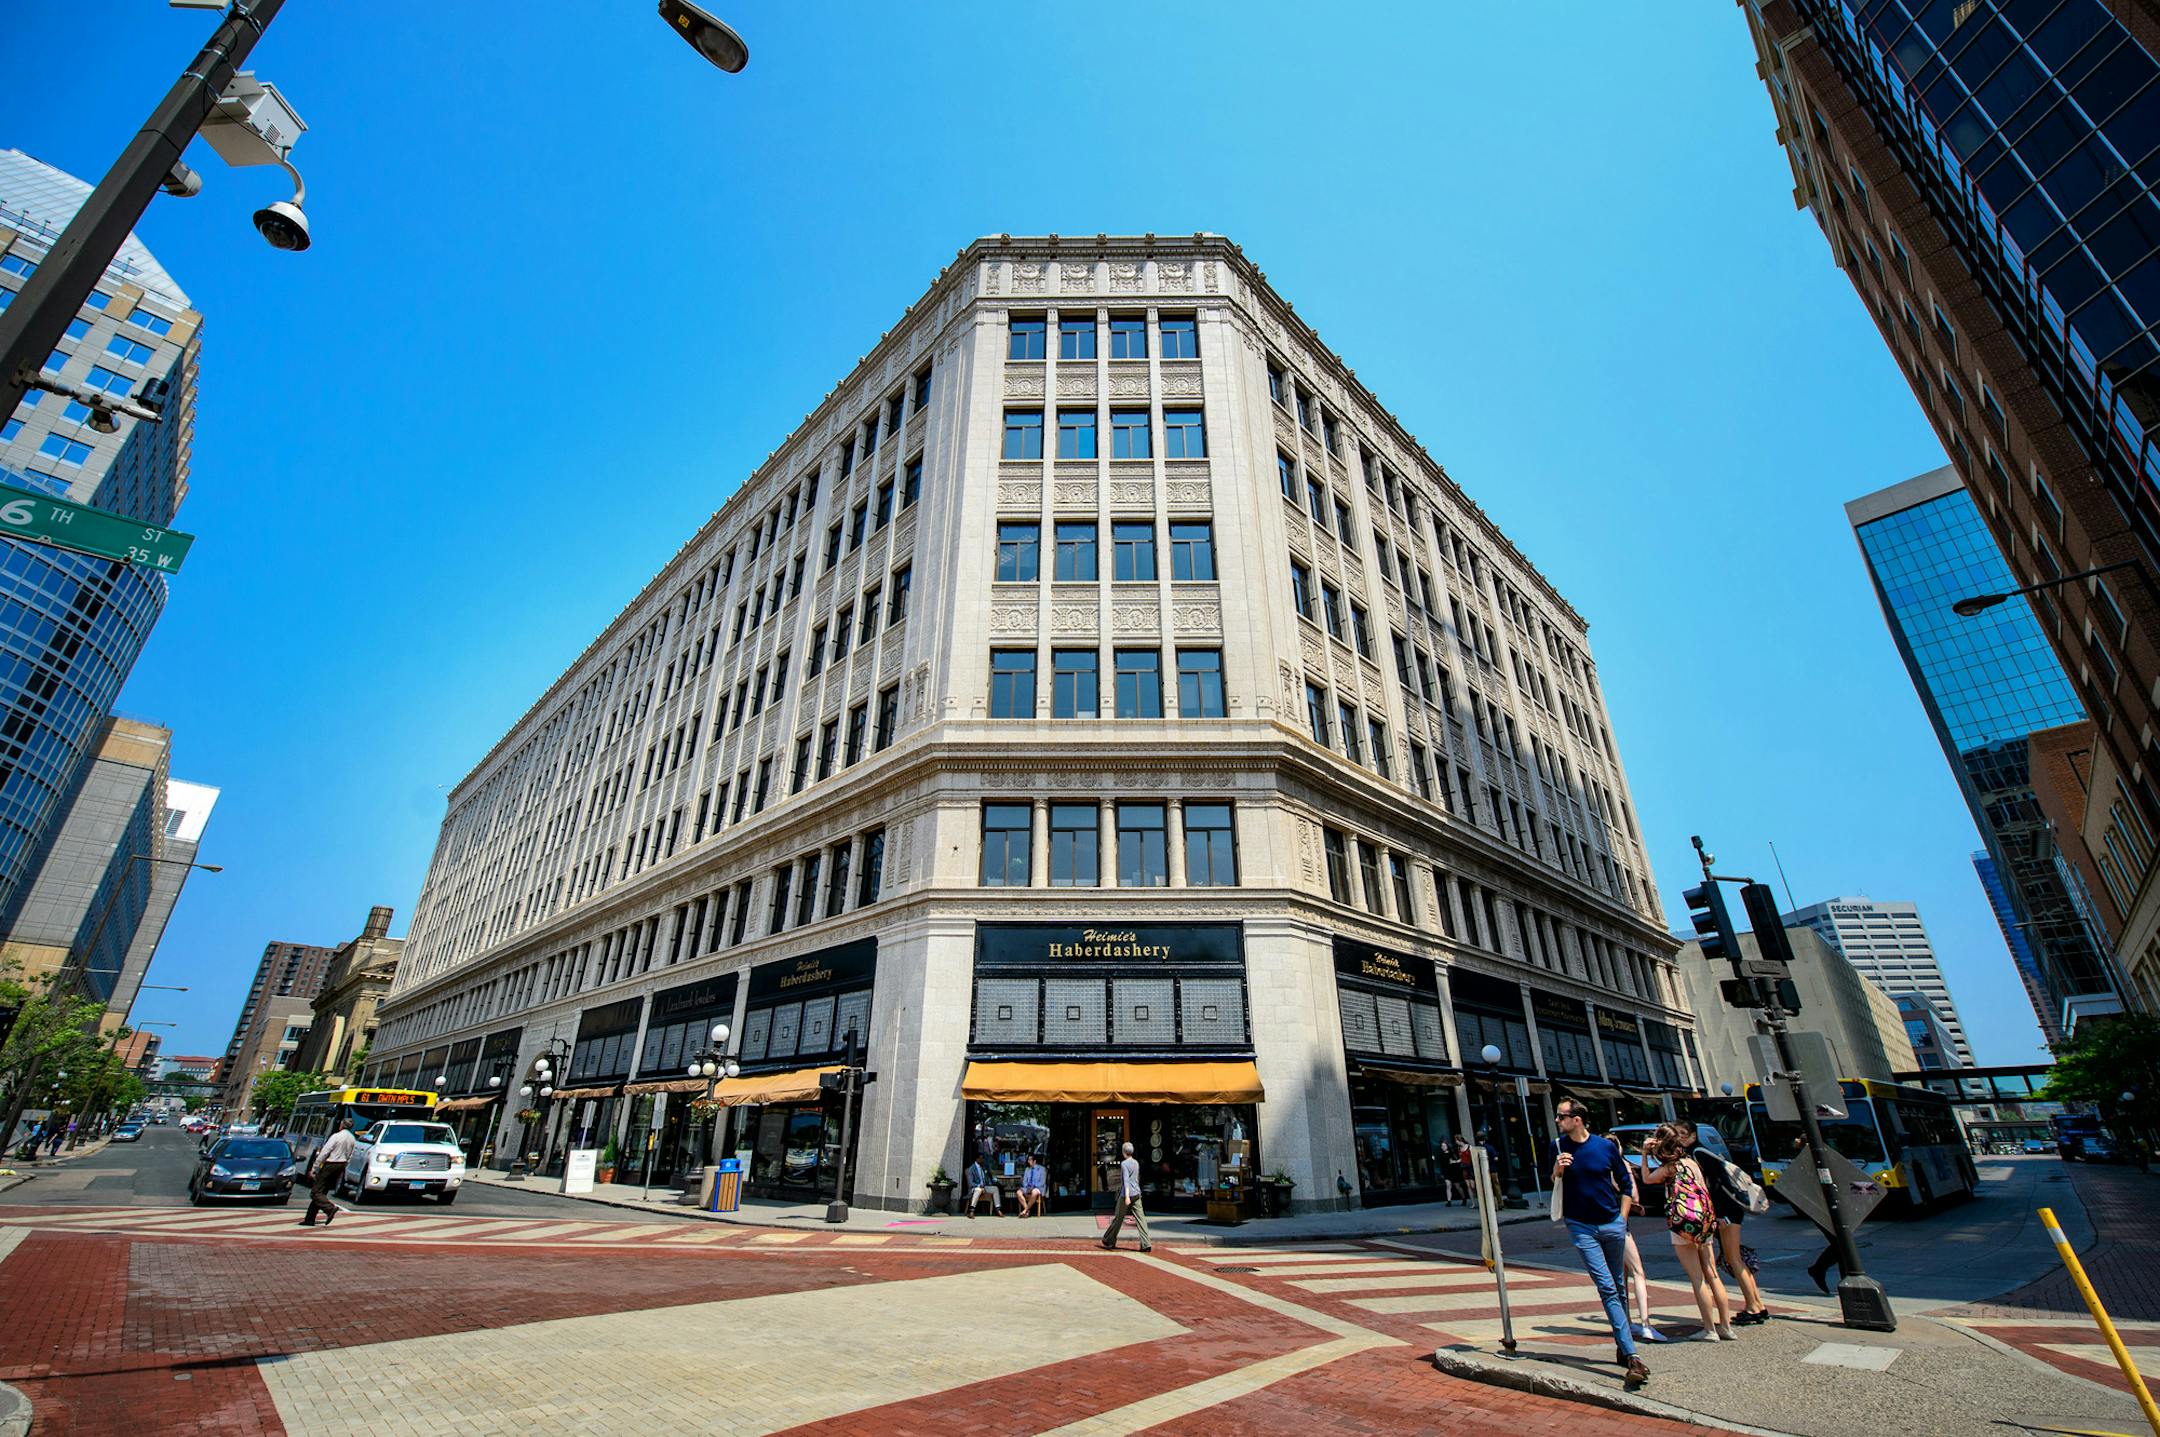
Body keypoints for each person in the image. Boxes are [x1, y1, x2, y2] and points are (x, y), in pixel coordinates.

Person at [1549, 1099, 1649, 1389]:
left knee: (1619, 1285)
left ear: (1577, 1119)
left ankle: (1622, 1344)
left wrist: (1622, 1217)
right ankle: (1632, 1356)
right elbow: (1552, 1182)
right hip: (1581, 1226)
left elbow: (1625, 1181)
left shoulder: (1604, 1147)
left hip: (1611, 1223)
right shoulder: (1557, 1147)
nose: (1557, 1120)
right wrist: (1557, 1170)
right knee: (1606, 1285)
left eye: (1562, 1116)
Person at [1643, 1125, 1736, 1340]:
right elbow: (1704, 1189)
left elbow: (1647, 1179)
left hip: (1683, 1224)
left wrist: (1645, 1155)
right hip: (1704, 1221)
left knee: (1697, 1278)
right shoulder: (1692, 1163)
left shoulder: (1670, 1168)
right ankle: (1726, 1326)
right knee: (1713, 1275)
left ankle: (1709, 1329)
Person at [1678, 1121, 1769, 1324]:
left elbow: (1718, 1185)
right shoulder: (1701, 1152)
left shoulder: (1698, 1154)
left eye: (1684, 1134)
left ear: (1693, 1135)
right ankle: (1757, 1304)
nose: (1680, 1138)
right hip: (1729, 1211)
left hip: (1727, 1212)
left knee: (1733, 1258)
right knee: (1735, 1258)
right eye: (1678, 1134)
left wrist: (1719, 1215)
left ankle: (1753, 1307)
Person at [300, 1118, 357, 1227]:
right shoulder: (352, 1139)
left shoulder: (336, 1136)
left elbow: (324, 1152)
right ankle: (310, 1218)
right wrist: (344, 1167)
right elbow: (350, 1156)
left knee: (315, 1192)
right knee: (322, 1192)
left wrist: (314, 1168)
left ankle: (330, 1208)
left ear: (341, 1125)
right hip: (341, 1164)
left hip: (331, 1163)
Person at [1101, 1140, 1151, 1252]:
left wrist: (1127, 1196)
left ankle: (1109, 1239)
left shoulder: (1124, 1164)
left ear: (1124, 1152)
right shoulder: (1136, 1163)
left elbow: (1126, 1180)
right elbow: (1136, 1179)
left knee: (1118, 1218)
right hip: (1137, 1193)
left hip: (1126, 1195)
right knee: (1141, 1219)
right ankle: (1146, 1243)